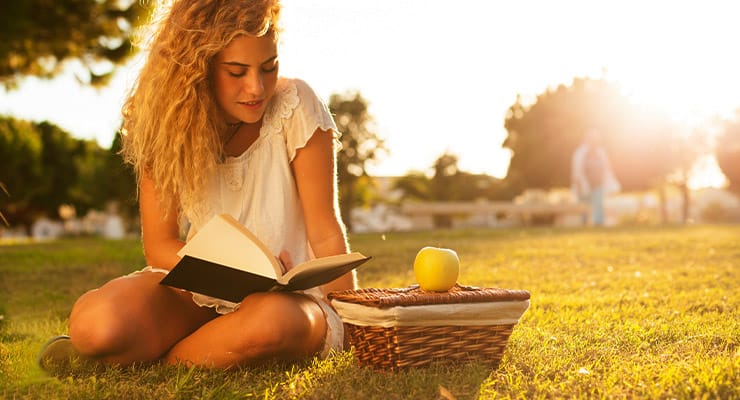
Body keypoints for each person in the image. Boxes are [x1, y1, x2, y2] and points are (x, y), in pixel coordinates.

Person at [38, 0, 355, 371]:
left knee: (271, 323)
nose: (257, 87)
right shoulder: (167, 125)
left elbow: (326, 231)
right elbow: (159, 246)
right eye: (237, 72)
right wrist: (235, 275)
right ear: (198, 68)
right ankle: (209, 344)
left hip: (288, 302)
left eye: (268, 67)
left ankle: (162, 362)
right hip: (201, 290)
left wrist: (354, 320)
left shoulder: (295, 105)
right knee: (97, 325)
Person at [570, 129, 620, 226]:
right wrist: (578, 184)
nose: (594, 142)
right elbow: (577, 170)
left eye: (596, 139)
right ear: (587, 140)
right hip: (584, 184)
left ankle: (598, 223)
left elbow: (607, 168)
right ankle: (583, 223)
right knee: (584, 205)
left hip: (598, 184)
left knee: (598, 205)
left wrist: (610, 183)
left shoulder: (601, 152)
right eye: (592, 139)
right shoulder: (580, 153)